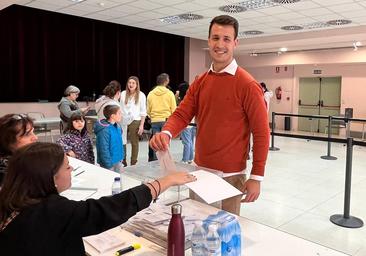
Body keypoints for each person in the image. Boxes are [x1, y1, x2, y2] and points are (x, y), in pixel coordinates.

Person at [150, 15, 270, 215]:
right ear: (208, 41)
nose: (220, 44)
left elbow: (261, 133)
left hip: (231, 175)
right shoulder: (201, 81)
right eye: (215, 38)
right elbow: (182, 113)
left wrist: (257, 176)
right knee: (197, 229)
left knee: (224, 237)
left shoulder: (247, 85)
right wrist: (167, 133)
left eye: (226, 39)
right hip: (200, 172)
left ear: (235, 43)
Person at [0, 142, 196, 256]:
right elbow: (108, 209)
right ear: (51, 178)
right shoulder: (51, 211)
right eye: (67, 167)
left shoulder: (13, 199)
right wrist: (165, 182)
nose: (71, 170)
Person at [0, 114, 38, 186]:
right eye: (27, 134)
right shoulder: (7, 171)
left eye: (33, 132)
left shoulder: (24, 159)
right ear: (7, 141)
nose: (35, 137)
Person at [147, 73, 176, 161]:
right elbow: (174, 109)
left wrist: (152, 117)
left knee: (156, 142)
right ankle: (165, 161)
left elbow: (148, 110)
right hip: (166, 120)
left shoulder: (151, 94)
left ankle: (156, 162)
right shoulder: (170, 93)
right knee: (165, 142)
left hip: (154, 121)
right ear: (166, 81)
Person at [120, 76, 147, 166]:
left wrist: (141, 125)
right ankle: (123, 161)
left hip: (135, 121)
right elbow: (119, 107)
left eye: (133, 83)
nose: (131, 84)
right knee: (122, 141)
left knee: (134, 142)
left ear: (137, 84)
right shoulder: (123, 93)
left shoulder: (141, 95)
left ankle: (133, 162)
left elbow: (143, 112)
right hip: (123, 120)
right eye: (129, 83)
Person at [94, 105, 124, 172]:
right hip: (109, 164)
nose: (121, 115)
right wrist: (108, 165)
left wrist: (121, 158)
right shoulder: (104, 130)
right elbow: (103, 149)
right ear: (113, 116)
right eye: (119, 113)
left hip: (118, 160)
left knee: (118, 181)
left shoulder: (118, 126)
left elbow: (119, 143)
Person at [176, 81, 196, 164]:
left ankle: (185, 159)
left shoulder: (183, 101)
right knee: (190, 141)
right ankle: (190, 158)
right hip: (192, 123)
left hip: (186, 124)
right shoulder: (192, 98)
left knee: (186, 142)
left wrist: (176, 96)